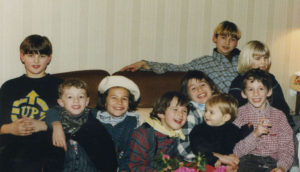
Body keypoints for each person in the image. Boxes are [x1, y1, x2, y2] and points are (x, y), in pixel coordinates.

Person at [47, 75, 141, 171]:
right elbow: (54, 111)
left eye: (124, 98)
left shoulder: (132, 122)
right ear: (104, 101)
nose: (119, 102)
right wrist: (56, 125)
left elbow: (131, 153)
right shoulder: (94, 114)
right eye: (114, 98)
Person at [120, 20, 241, 93]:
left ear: (236, 43)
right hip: (225, 107)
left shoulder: (245, 61)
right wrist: (144, 63)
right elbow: (175, 68)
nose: (227, 43)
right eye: (223, 37)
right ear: (215, 38)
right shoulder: (204, 62)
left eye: (232, 39)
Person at [0, 34, 63, 171]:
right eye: (30, 55)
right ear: (22, 56)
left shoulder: (60, 86)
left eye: (42, 56)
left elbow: (75, 120)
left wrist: (44, 125)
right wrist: (10, 128)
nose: (36, 60)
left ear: (49, 58)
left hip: (47, 146)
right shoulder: (9, 87)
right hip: (13, 147)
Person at [233, 69, 294, 172]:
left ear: (269, 91)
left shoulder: (279, 116)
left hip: (274, 163)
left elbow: (287, 148)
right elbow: (235, 151)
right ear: (244, 93)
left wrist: (282, 167)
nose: (256, 94)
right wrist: (255, 135)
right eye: (251, 89)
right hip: (247, 162)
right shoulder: (239, 115)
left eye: (261, 88)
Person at [229, 40, 295, 127]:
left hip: (273, 121)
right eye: (258, 58)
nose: (263, 62)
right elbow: (233, 111)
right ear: (247, 59)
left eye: (265, 58)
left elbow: (281, 104)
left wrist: (289, 124)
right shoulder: (238, 82)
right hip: (247, 125)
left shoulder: (271, 78)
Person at [189, 93, 253, 171]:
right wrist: (213, 159)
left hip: (228, 159)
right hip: (209, 161)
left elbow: (238, 135)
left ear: (225, 117)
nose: (206, 114)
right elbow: (199, 147)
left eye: (211, 112)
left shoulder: (231, 128)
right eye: (206, 110)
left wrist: (246, 129)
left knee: (237, 164)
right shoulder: (200, 129)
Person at [129, 91, 189, 171]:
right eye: (175, 109)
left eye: (184, 111)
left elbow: (176, 158)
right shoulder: (143, 134)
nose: (181, 114)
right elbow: (134, 166)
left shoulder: (177, 133)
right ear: (161, 113)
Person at [177, 70, 219, 161]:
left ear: (212, 88)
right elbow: (184, 148)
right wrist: (213, 159)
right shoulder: (191, 113)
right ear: (188, 96)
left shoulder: (222, 107)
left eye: (202, 84)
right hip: (197, 160)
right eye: (193, 88)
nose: (199, 89)